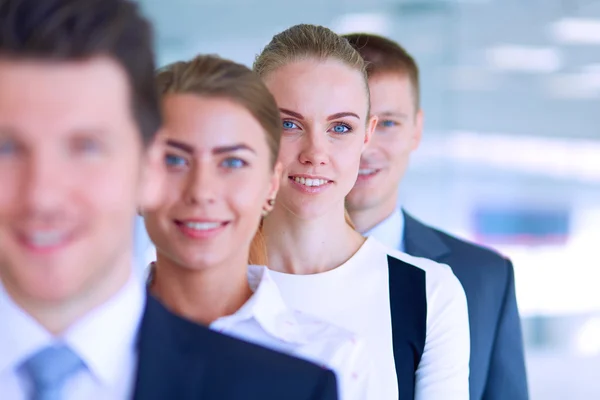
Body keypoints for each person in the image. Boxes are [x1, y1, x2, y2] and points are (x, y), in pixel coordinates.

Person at [0, 1, 339, 399]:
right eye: (6, 148)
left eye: (86, 148)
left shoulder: (288, 389)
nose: (43, 196)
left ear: (148, 169)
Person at [253, 24, 470, 400]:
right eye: (289, 123)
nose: (315, 152)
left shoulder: (427, 294)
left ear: (366, 136)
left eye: (340, 127)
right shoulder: (189, 284)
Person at [142, 54, 371, 400]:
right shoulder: (71, 335)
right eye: (174, 160)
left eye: (233, 162)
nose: (202, 191)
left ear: (270, 185)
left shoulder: (329, 360)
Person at [343, 32, 529, 400]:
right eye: (345, 126)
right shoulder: (250, 261)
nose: (367, 147)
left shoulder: (484, 277)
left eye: (389, 123)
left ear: (417, 130)